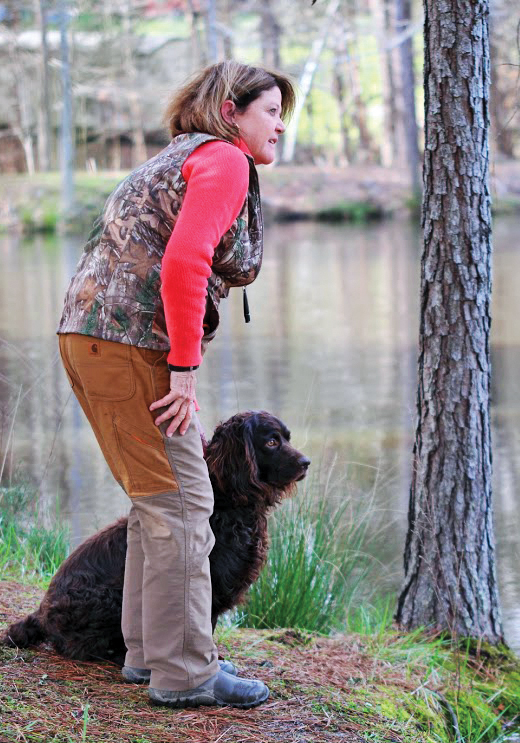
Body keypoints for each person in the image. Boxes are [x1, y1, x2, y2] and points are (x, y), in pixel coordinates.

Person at [57, 61, 295, 709]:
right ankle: (186, 672)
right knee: (188, 505)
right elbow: (187, 258)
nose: (280, 122)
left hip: (86, 335)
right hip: (133, 344)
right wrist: (184, 370)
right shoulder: (224, 161)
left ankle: (144, 652)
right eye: (270, 109)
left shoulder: (175, 157)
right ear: (230, 113)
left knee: (155, 501)